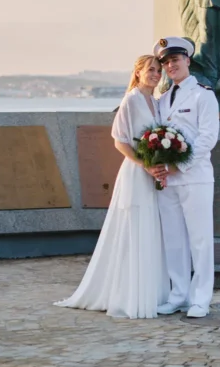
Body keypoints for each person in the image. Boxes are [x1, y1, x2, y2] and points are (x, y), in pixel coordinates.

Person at [53, 55, 169, 319]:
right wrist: (145, 165)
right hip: (137, 171)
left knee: (151, 228)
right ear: (138, 73)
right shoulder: (131, 100)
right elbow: (120, 141)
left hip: (154, 172)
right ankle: (129, 295)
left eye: (158, 70)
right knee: (133, 228)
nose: (155, 74)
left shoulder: (157, 102)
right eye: (150, 70)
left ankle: (152, 292)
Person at [150, 36, 219, 318]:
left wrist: (181, 165)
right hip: (168, 181)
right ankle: (178, 295)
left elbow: (208, 138)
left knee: (200, 240)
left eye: (175, 60)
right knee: (174, 240)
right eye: (165, 62)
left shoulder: (204, 95)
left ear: (187, 61)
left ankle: (201, 298)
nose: (170, 66)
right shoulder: (162, 99)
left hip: (195, 178)